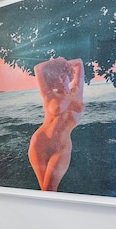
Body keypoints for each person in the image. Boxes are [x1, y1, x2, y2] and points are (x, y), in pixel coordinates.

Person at [28, 57, 85, 191]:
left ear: (68, 74)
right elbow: (38, 68)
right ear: (51, 82)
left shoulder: (77, 91)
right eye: (55, 78)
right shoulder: (48, 94)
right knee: (46, 191)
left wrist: (60, 64)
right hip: (40, 143)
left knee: (49, 190)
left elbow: (79, 63)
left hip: (62, 148)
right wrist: (54, 65)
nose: (60, 80)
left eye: (62, 75)